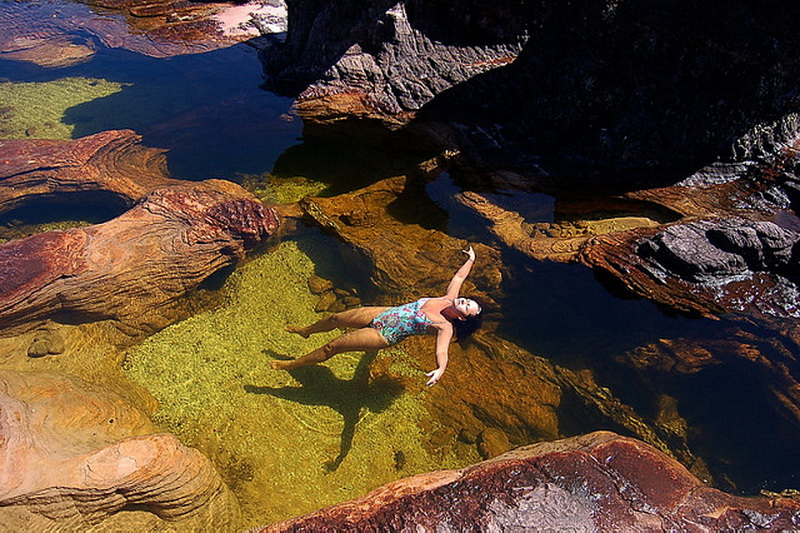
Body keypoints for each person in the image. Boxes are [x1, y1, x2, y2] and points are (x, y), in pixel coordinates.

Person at [272, 246, 484, 386]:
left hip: (385, 334)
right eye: (468, 300)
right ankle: (306, 331)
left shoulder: (444, 327)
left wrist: (440, 369)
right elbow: (459, 276)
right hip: (384, 312)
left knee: (333, 346)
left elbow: (442, 351)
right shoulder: (449, 298)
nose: (464, 302)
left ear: (463, 318)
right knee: (336, 318)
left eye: (468, 308)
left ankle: (291, 364)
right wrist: (471, 260)